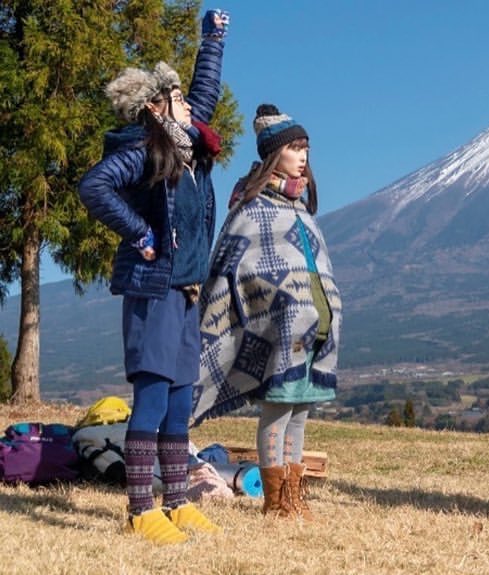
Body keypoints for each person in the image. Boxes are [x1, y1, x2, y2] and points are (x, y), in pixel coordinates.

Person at [77, 10, 230, 544]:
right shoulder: (143, 152)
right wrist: (140, 233)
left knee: (181, 398)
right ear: (156, 107)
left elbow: (205, 93)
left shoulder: (188, 150)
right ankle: (141, 510)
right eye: (179, 99)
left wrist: (212, 39)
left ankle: (177, 502)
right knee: (153, 397)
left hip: (187, 292)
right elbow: (94, 187)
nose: (191, 106)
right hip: (154, 290)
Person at [191, 104, 342, 521]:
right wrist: (281, 305)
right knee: (277, 410)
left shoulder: (300, 208)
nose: (303, 155)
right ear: (275, 154)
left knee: (299, 412)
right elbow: (237, 269)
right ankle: (276, 500)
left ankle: (293, 494)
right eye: (295, 147)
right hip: (278, 332)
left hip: (314, 330)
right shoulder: (253, 208)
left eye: (306, 147)